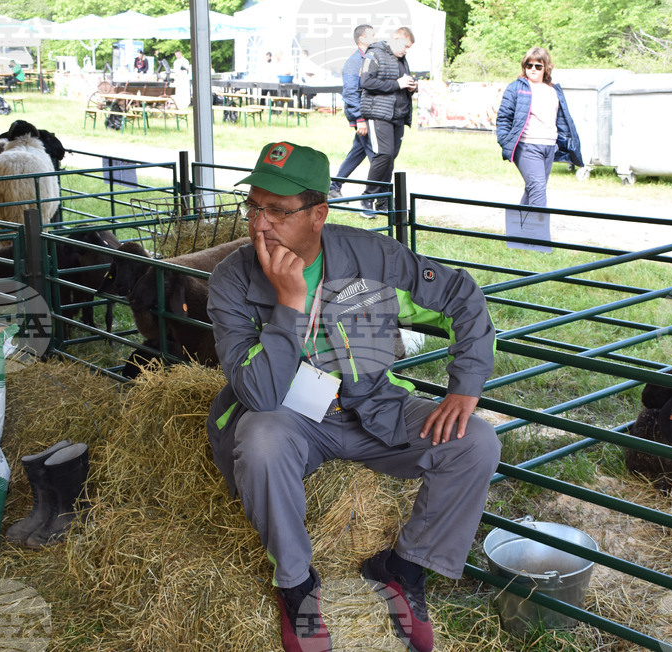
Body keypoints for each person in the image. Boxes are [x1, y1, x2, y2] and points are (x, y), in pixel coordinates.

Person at [206, 141, 501, 652]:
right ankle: (297, 586)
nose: (259, 224)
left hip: (374, 406)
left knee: (476, 443)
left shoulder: (375, 259)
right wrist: (290, 304)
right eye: (253, 206)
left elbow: (461, 296)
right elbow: (257, 392)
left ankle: (403, 569)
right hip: (289, 416)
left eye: (277, 210)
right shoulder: (232, 280)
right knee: (259, 441)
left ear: (318, 214)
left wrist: (466, 385)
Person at [495, 47, 583, 225]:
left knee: (533, 189)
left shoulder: (554, 90)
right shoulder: (517, 88)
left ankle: (519, 234)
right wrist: (506, 142)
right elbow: (503, 117)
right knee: (538, 189)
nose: (533, 69)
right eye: (529, 65)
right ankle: (537, 240)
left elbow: (562, 119)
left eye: (537, 65)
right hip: (527, 146)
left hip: (549, 146)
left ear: (546, 68)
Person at [359, 27, 418, 217]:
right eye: (405, 46)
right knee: (383, 154)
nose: (406, 51)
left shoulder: (402, 59)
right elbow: (366, 83)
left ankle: (383, 201)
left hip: (398, 115)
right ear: (396, 39)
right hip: (379, 113)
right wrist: (397, 84)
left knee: (390, 158)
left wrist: (411, 87)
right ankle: (367, 199)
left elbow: (401, 81)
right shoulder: (375, 54)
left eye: (409, 48)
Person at [328, 24, 376, 200]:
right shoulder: (355, 61)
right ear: (362, 39)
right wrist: (359, 119)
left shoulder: (367, 59)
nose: (376, 37)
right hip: (362, 116)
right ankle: (380, 197)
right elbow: (349, 92)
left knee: (358, 152)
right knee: (377, 157)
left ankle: (334, 187)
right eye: (372, 34)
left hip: (366, 115)